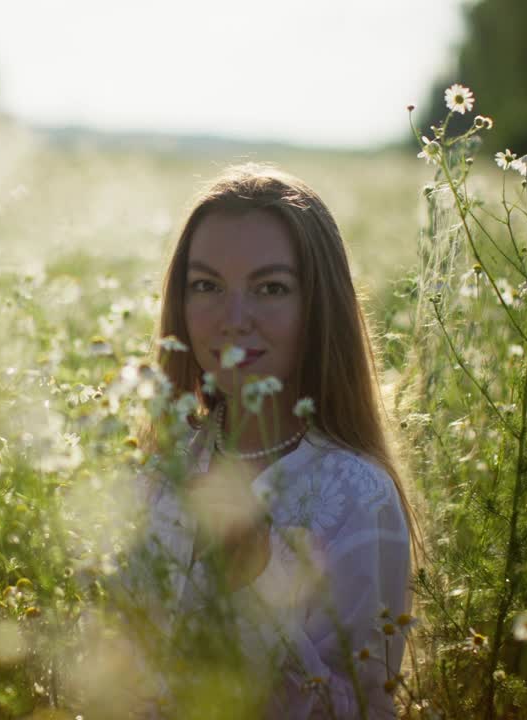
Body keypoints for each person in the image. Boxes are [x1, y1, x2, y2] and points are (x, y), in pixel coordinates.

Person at [123, 163, 416, 719]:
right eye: (207, 286)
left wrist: (252, 586)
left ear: (317, 307)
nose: (234, 320)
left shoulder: (354, 495)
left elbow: (358, 707)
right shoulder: (159, 472)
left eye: (271, 288)